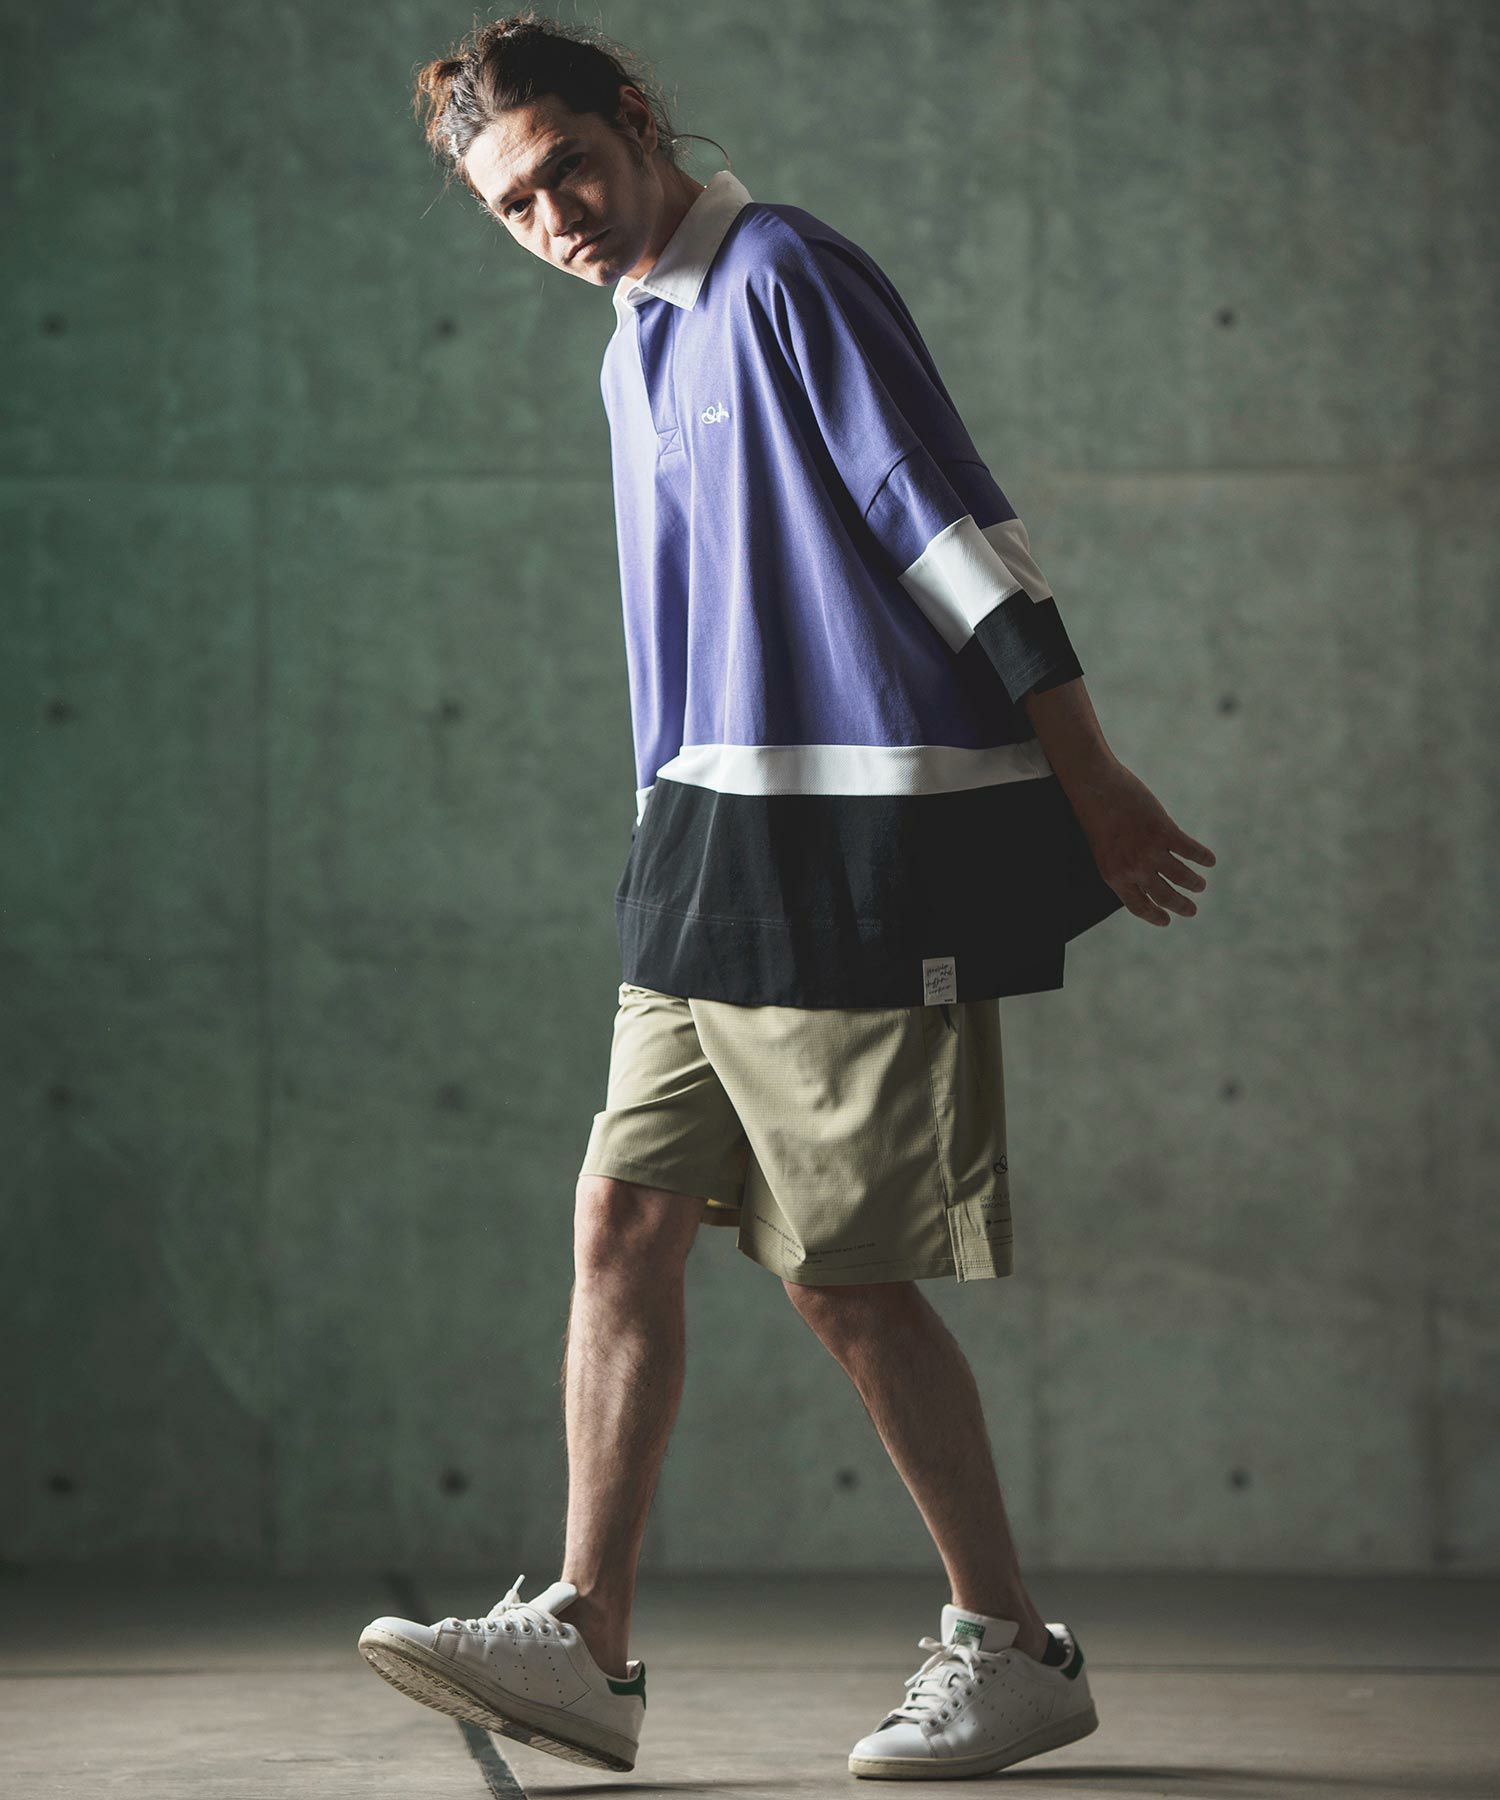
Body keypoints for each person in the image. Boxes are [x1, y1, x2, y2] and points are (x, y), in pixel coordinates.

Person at [359, 9, 1216, 1781]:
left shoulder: (783, 276)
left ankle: (1011, 1647)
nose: (556, 217)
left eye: (568, 167)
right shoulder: (635, 345)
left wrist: (1091, 772)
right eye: (515, 206)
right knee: (621, 1221)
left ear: (634, 116)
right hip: (701, 846)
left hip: (852, 843)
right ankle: (587, 1641)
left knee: (841, 1275)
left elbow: (949, 526)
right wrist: (658, 827)